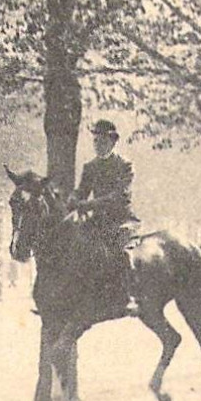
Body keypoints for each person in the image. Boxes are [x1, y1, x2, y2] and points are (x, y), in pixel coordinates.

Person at [72, 119, 139, 315]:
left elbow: (119, 196)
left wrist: (89, 204)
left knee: (121, 250)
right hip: (98, 221)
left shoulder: (124, 166)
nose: (98, 145)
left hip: (122, 219)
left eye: (102, 141)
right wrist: (73, 198)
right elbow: (82, 192)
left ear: (112, 142)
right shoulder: (90, 167)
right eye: (95, 141)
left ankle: (128, 297)